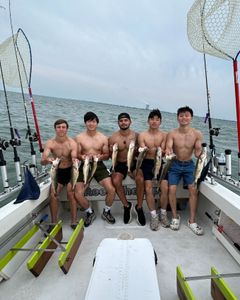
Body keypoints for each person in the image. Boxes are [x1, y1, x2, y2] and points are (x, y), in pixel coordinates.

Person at [165, 106, 204, 235]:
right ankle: (175, 217)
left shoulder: (197, 134)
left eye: (187, 115)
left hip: (189, 165)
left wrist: (200, 153)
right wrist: (168, 151)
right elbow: (169, 147)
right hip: (175, 164)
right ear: (177, 118)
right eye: (181, 115)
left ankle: (192, 221)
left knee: (193, 189)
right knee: (172, 189)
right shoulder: (172, 133)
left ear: (191, 118)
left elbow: (198, 151)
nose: (184, 118)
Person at [74, 111, 116, 227]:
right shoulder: (79, 138)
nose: (91, 124)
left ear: (97, 123)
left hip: (99, 166)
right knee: (78, 193)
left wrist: (100, 156)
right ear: (85, 123)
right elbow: (77, 154)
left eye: (93, 121)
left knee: (111, 190)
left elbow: (107, 156)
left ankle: (106, 211)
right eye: (88, 121)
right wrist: (82, 157)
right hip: (84, 166)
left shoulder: (103, 138)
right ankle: (89, 212)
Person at [109, 113, 145, 226]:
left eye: (126, 120)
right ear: (118, 123)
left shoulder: (137, 136)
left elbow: (141, 153)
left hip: (133, 163)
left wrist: (141, 150)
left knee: (140, 178)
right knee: (115, 180)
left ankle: (139, 207)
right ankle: (126, 205)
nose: (123, 122)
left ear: (130, 122)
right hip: (119, 163)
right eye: (121, 121)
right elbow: (110, 156)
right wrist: (111, 151)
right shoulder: (113, 137)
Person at [41, 119, 78, 229]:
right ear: (55, 128)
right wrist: (47, 160)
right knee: (53, 195)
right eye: (58, 127)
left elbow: (74, 155)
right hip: (58, 172)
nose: (61, 129)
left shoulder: (72, 143)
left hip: (71, 171)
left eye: (63, 127)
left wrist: (74, 159)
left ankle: (74, 221)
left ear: (67, 129)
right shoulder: (50, 143)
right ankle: (53, 222)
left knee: (71, 193)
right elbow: (43, 161)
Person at [138, 109, 169, 231]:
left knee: (165, 188)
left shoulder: (164, 135)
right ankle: (153, 216)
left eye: (157, 119)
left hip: (160, 163)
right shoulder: (142, 135)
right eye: (152, 119)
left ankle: (163, 213)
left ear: (160, 121)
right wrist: (143, 149)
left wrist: (166, 152)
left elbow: (166, 151)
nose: (154, 121)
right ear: (148, 121)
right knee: (148, 189)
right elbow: (141, 148)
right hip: (146, 163)